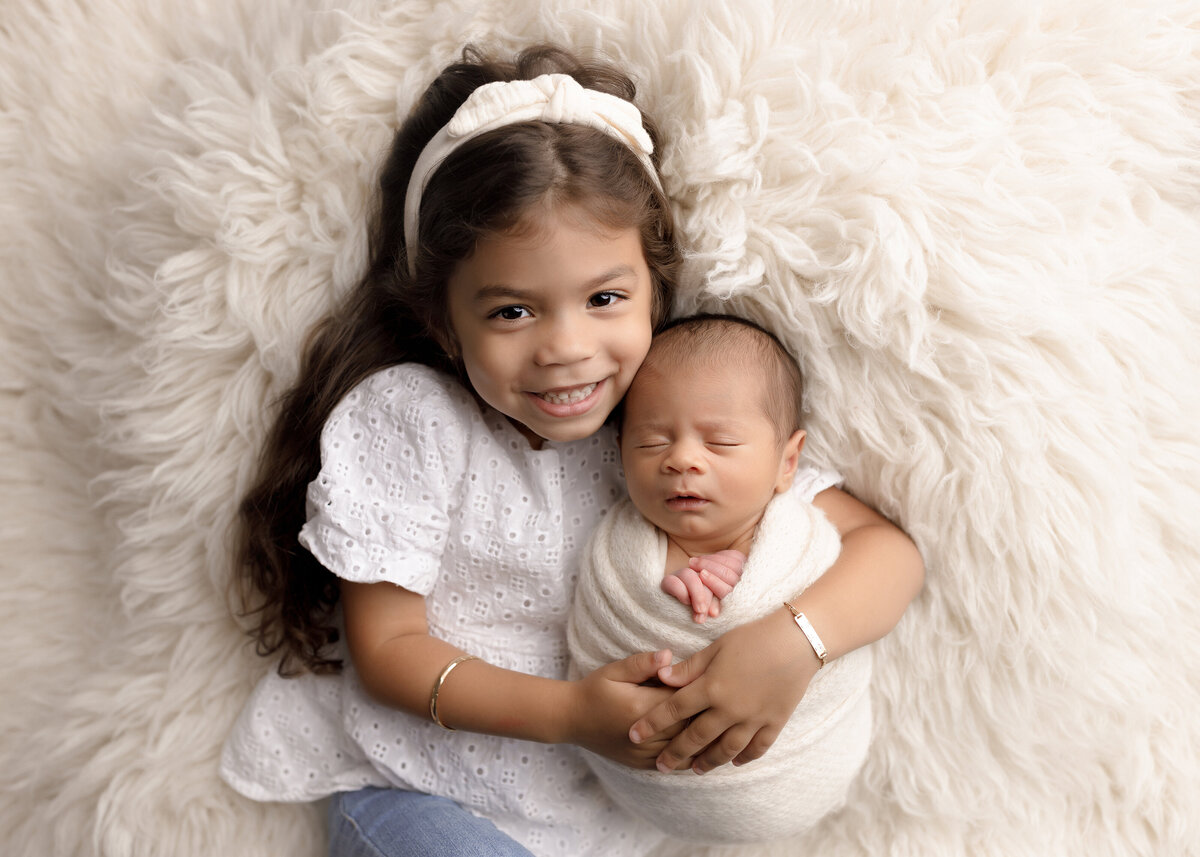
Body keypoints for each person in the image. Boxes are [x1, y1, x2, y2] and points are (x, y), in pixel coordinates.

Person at [218, 44, 925, 857]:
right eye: (513, 311)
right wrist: (571, 714)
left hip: (604, 830)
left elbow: (886, 551)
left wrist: (793, 642)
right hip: (424, 798)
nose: (566, 348)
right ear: (443, 321)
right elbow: (388, 650)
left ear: (655, 289)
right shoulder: (413, 419)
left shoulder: (667, 416)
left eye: (604, 299)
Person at [568, 314, 874, 843]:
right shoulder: (622, 543)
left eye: (722, 442)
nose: (682, 459)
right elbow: (610, 641)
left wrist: (770, 608)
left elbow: (884, 557)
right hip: (645, 776)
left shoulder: (799, 512)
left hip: (801, 760)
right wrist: (672, 599)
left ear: (788, 462)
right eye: (651, 442)